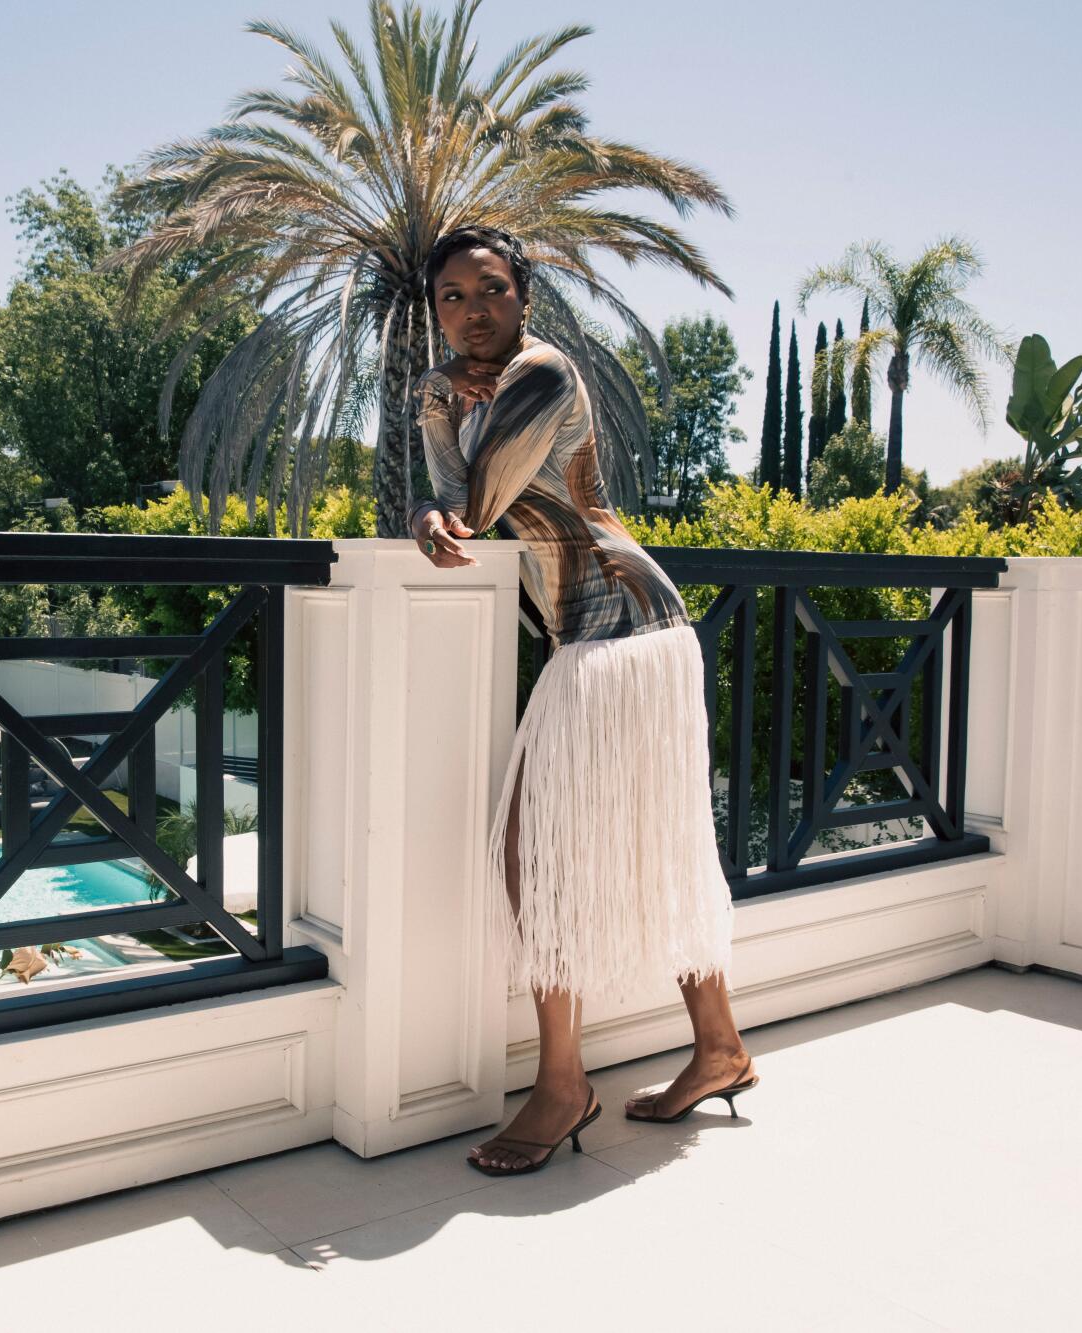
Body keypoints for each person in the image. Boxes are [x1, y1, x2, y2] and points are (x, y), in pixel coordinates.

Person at [408, 226, 758, 1176]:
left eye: (490, 291)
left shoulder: (545, 372)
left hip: (623, 622)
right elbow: (443, 500)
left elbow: (477, 502)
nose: (473, 311)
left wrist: (446, 507)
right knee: (662, 841)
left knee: (534, 853)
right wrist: (422, 513)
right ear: (433, 308)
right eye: (451, 296)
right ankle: (719, 1046)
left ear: (524, 296)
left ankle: (564, 1085)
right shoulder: (438, 390)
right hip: (593, 631)